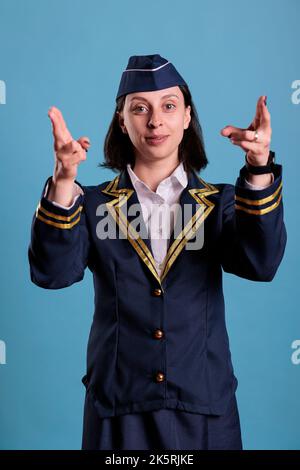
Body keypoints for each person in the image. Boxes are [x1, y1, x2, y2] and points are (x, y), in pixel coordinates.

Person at [28, 54, 287, 450]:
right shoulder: (94, 204)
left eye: (168, 106)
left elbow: (261, 263)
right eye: (139, 109)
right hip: (117, 409)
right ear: (121, 120)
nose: (155, 121)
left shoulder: (218, 204)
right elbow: (53, 273)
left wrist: (258, 166)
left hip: (205, 409)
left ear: (186, 117)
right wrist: (63, 181)